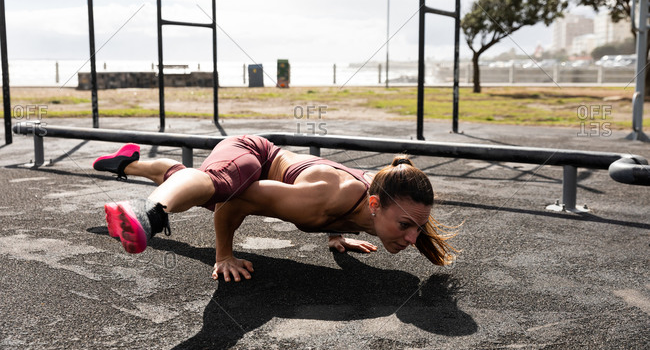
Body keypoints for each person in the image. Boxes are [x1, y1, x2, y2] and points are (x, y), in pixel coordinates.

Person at [93, 135, 458, 282]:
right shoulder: (318, 200)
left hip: (304, 186)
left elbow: (351, 196)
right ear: (377, 206)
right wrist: (224, 255)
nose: (413, 238)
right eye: (407, 226)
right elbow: (236, 202)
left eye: (417, 229)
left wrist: (337, 237)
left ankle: (129, 162)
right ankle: (148, 215)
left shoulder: (382, 201)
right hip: (252, 153)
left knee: (191, 182)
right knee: (220, 188)